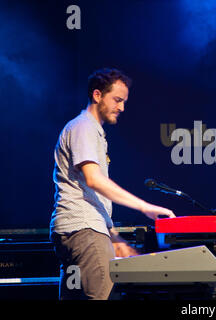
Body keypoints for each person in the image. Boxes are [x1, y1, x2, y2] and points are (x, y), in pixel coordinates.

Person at [50, 68, 176, 300]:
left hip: (73, 231)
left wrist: (113, 236)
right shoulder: (84, 127)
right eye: (117, 100)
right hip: (85, 232)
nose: (122, 108)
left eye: (124, 102)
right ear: (97, 95)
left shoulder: (89, 130)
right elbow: (94, 180)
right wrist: (144, 206)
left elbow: (88, 194)